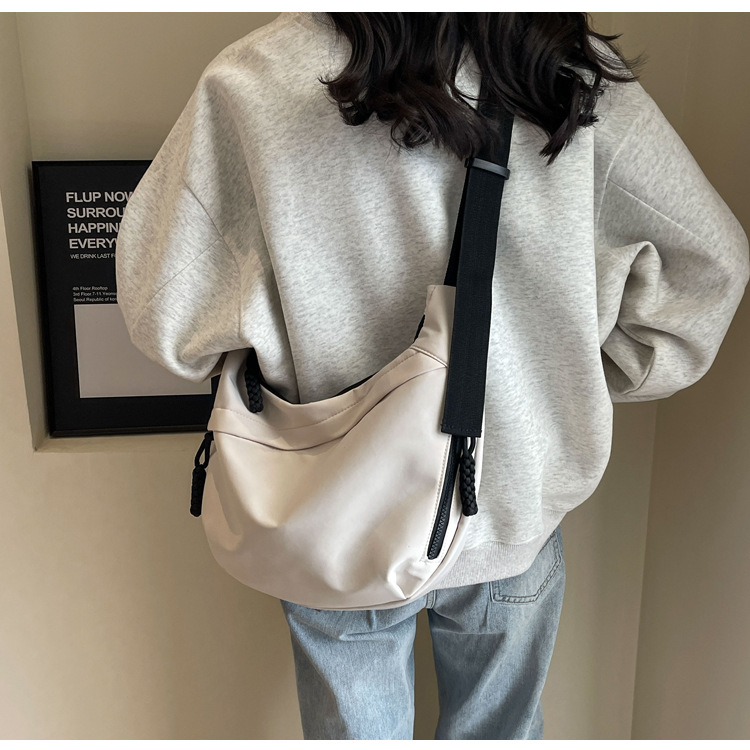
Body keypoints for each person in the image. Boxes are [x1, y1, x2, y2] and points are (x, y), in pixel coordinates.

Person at [114, 12, 750, 740]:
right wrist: (566, 380)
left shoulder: (253, 79)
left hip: (331, 511)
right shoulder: (565, 74)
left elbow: (159, 306)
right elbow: (710, 270)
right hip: (508, 504)